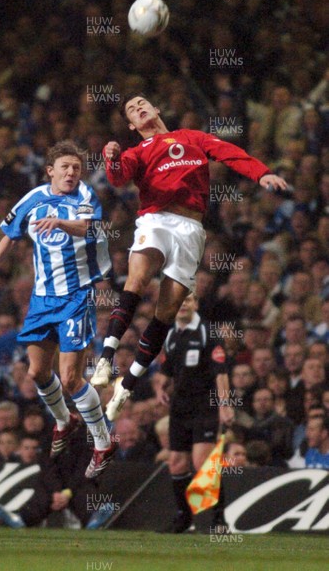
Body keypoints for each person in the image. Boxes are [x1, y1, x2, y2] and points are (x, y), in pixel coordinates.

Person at [90, 93, 287, 420]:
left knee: (165, 314)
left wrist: (261, 173)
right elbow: (118, 177)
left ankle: (126, 386)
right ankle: (105, 356)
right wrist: (110, 157)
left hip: (191, 230)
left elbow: (230, 153)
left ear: (156, 109)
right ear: (131, 124)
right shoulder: (136, 152)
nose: (139, 109)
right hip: (155, 219)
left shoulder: (191, 137)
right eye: (131, 110)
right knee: (137, 278)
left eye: (142, 104)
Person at [0, 140, 116, 478]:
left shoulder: (84, 197)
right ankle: (64, 420)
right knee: (35, 373)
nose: (71, 173)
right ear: (50, 170)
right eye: (65, 167)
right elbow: (10, 233)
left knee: (70, 377)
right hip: (42, 299)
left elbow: (89, 228)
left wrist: (59, 223)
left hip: (76, 296)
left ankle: (103, 441)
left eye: (76, 168)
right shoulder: (33, 199)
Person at [154, 294, 234, 533]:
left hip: (204, 407)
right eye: (179, 301)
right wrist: (161, 388)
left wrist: (224, 404)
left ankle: (219, 520)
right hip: (179, 408)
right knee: (176, 463)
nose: (183, 305)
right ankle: (184, 517)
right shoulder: (170, 335)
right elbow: (167, 370)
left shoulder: (207, 332)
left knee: (202, 463)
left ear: (196, 304)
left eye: (188, 300)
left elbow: (221, 372)